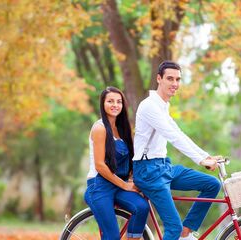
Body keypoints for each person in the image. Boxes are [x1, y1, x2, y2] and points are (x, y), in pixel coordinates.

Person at [132, 60, 221, 240]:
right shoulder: (149, 106)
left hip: (164, 167)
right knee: (172, 228)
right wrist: (201, 160)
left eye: (178, 79)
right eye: (170, 79)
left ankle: (186, 233)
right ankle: (178, 233)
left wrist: (206, 155)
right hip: (148, 171)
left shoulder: (163, 105)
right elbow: (173, 136)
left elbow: (178, 132)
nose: (175, 84)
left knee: (212, 185)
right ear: (159, 79)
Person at [84, 86, 149, 240]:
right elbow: (100, 166)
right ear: (103, 104)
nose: (115, 105)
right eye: (110, 101)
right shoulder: (100, 128)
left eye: (119, 102)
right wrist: (125, 185)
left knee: (142, 207)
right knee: (112, 236)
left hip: (118, 184)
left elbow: (129, 158)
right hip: (99, 186)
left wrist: (132, 179)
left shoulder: (122, 128)